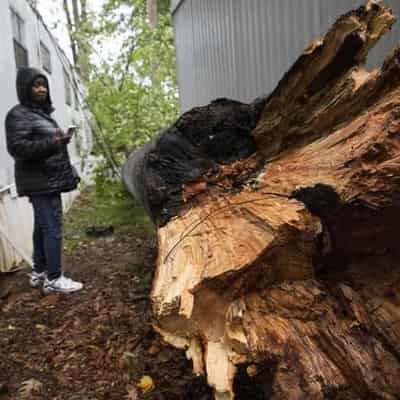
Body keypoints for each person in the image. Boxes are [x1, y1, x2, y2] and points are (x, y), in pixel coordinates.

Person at [5, 67, 83, 294]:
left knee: (41, 228)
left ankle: (40, 272)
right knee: (52, 229)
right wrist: (54, 143)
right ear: (25, 89)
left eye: (44, 85)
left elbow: (47, 144)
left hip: (48, 179)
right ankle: (54, 279)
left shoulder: (40, 114)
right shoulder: (18, 115)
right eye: (36, 85)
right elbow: (18, 148)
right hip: (41, 182)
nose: (41, 89)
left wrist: (59, 143)